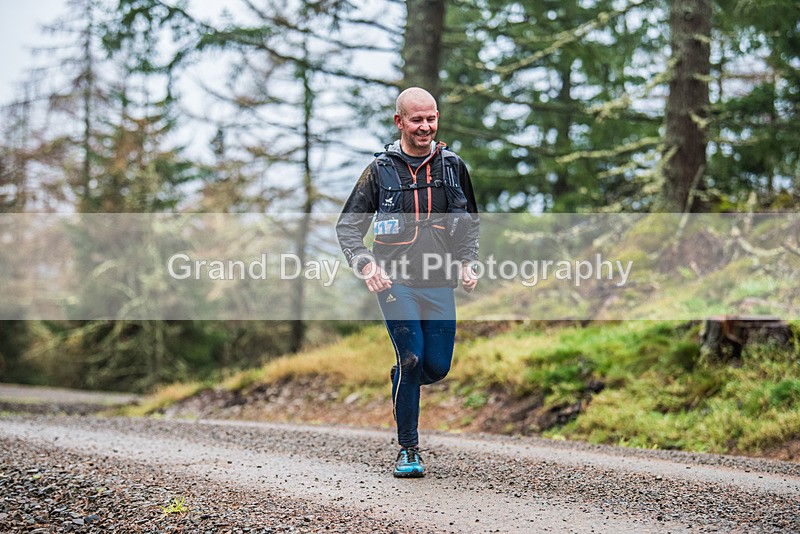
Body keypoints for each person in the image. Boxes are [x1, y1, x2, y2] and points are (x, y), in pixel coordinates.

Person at [336, 87, 479, 478]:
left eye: (431, 118)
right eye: (416, 119)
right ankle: (408, 450)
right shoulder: (379, 170)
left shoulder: (453, 166)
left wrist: (468, 263)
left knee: (436, 366)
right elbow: (348, 228)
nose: (425, 126)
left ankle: (403, 377)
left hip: (438, 281)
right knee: (412, 358)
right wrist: (365, 264)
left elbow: (468, 223)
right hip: (394, 282)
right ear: (399, 122)